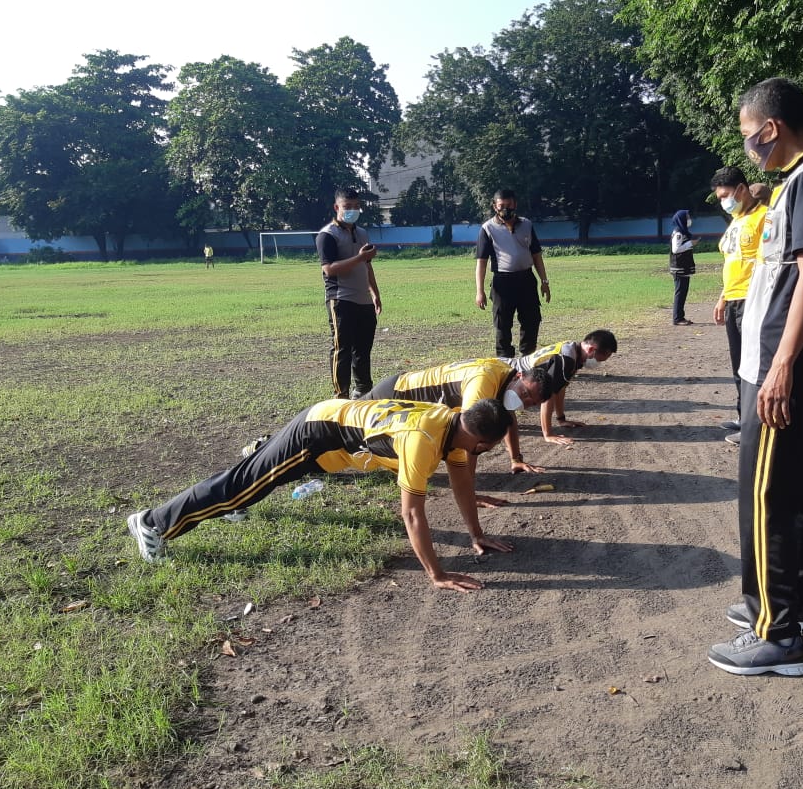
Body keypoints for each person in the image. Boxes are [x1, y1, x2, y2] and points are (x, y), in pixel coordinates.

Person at [708, 77, 803, 677]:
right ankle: (782, 604)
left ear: (770, 128)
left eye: (748, 137)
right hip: (769, 362)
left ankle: (778, 635)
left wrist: (783, 366)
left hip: (776, 365)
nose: (747, 149)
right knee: (783, 493)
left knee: (768, 497)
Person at [127, 398, 514, 592]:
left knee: (245, 484)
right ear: (483, 441)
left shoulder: (455, 424)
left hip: (334, 438)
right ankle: (153, 523)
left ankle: (236, 495)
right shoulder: (424, 442)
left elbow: (463, 484)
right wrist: (437, 574)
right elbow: (412, 515)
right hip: (317, 434)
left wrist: (476, 534)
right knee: (239, 487)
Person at [360, 358, 551, 501]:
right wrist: (469, 495)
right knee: (342, 429)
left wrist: (516, 459)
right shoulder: (484, 381)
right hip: (396, 394)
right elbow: (471, 435)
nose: (523, 400)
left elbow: (508, 416)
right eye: (525, 393)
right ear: (519, 376)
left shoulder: (506, 378)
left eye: (530, 402)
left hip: (405, 399)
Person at [711, 166, 766, 442]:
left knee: (754, 365)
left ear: (742, 190)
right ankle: (743, 416)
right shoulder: (736, 220)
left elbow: (764, 264)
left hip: (753, 300)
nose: (724, 201)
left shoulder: (763, 217)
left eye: (726, 195)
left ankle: (755, 427)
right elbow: (733, 261)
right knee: (739, 364)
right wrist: (723, 296)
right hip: (733, 299)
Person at [317, 187, 382, 398]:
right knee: (342, 349)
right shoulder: (327, 235)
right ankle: (340, 395)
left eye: (356, 206)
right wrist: (360, 258)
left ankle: (363, 391)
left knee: (363, 350)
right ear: (337, 207)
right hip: (341, 299)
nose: (352, 210)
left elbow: (367, 266)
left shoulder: (362, 233)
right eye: (347, 207)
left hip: (364, 300)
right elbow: (329, 269)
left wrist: (375, 293)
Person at [475, 189, 551, 357]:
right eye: (501, 206)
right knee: (502, 323)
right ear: (495, 206)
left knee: (531, 320)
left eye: (509, 205)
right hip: (502, 282)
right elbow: (481, 262)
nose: (505, 209)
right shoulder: (487, 229)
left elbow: (536, 255)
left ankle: (527, 357)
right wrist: (479, 291)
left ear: (515, 204)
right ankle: (505, 362)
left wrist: (544, 282)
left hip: (526, 279)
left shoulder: (527, 225)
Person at [508, 329, 618, 446]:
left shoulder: (573, 352)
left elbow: (559, 389)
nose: (598, 363)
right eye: (599, 359)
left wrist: (561, 419)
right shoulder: (567, 359)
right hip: (507, 377)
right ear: (591, 349)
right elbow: (548, 395)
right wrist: (548, 434)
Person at [669, 210, 700, 325]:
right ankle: (677, 318)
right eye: (687, 217)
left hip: (683, 267)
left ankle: (680, 317)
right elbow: (675, 250)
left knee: (683, 292)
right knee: (680, 293)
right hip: (679, 268)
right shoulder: (678, 233)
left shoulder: (683, 232)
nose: (689, 219)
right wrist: (691, 244)